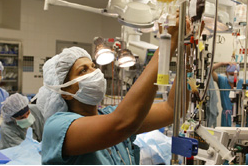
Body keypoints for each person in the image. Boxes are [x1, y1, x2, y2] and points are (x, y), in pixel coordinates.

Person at [36, 15, 191, 164]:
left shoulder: (108, 114)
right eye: (83, 70)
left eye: (93, 66)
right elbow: (122, 124)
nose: (94, 72)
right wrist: (168, 42)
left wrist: (186, 46)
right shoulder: (56, 128)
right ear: (65, 92)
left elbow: (172, 109)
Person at [212, 62, 248, 127]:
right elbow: (209, 70)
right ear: (226, 73)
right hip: (226, 117)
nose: (234, 77)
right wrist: (222, 63)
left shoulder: (243, 83)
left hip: (239, 116)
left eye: (236, 74)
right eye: (231, 74)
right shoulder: (222, 81)